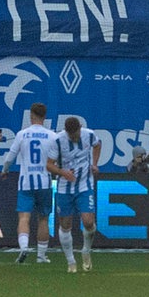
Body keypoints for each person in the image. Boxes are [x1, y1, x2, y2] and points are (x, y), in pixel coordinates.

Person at [0, 103, 56, 264]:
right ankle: (41, 255)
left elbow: (10, 156)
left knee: (24, 217)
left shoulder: (22, 134)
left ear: (31, 116)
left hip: (26, 182)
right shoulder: (52, 136)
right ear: (45, 117)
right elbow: (56, 158)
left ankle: (24, 248)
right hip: (44, 182)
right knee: (43, 219)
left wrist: (5, 170)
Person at [45, 116, 101, 273]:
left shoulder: (89, 135)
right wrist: (62, 172)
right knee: (65, 224)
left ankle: (86, 250)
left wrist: (95, 164)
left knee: (88, 222)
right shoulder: (58, 140)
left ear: (80, 128)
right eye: (71, 135)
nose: (74, 137)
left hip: (85, 184)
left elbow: (97, 145)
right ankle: (70, 261)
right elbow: (49, 165)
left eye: (75, 134)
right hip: (64, 188)